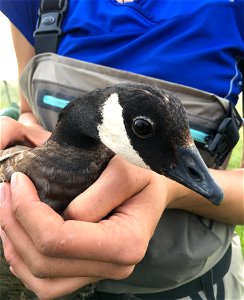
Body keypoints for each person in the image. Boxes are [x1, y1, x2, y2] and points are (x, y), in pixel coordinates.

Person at [0, 0, 244, 299]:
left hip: (188, 288)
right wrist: (26, 132)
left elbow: (215, 191)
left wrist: (168, 189)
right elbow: (29, 111)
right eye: (142, 129)